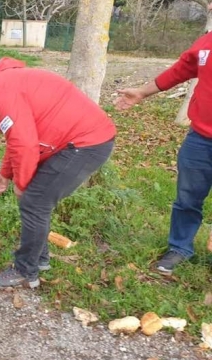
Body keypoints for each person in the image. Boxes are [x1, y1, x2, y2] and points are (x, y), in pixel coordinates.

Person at [0, 53, 116, 288]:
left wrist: (21, 183)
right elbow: (17, 138)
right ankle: (39, 258)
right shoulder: (4, 80)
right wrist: (6, 173)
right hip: (80, 140)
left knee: (34, 201)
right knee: (36, 200)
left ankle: (25, 271)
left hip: (85, 144)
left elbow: (24, 144)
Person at [114, 2, 212, 275]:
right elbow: (182, 70)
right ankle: (179, 247)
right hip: (201, 138)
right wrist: (143, 92)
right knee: (187, 198)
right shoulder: (207, 42)